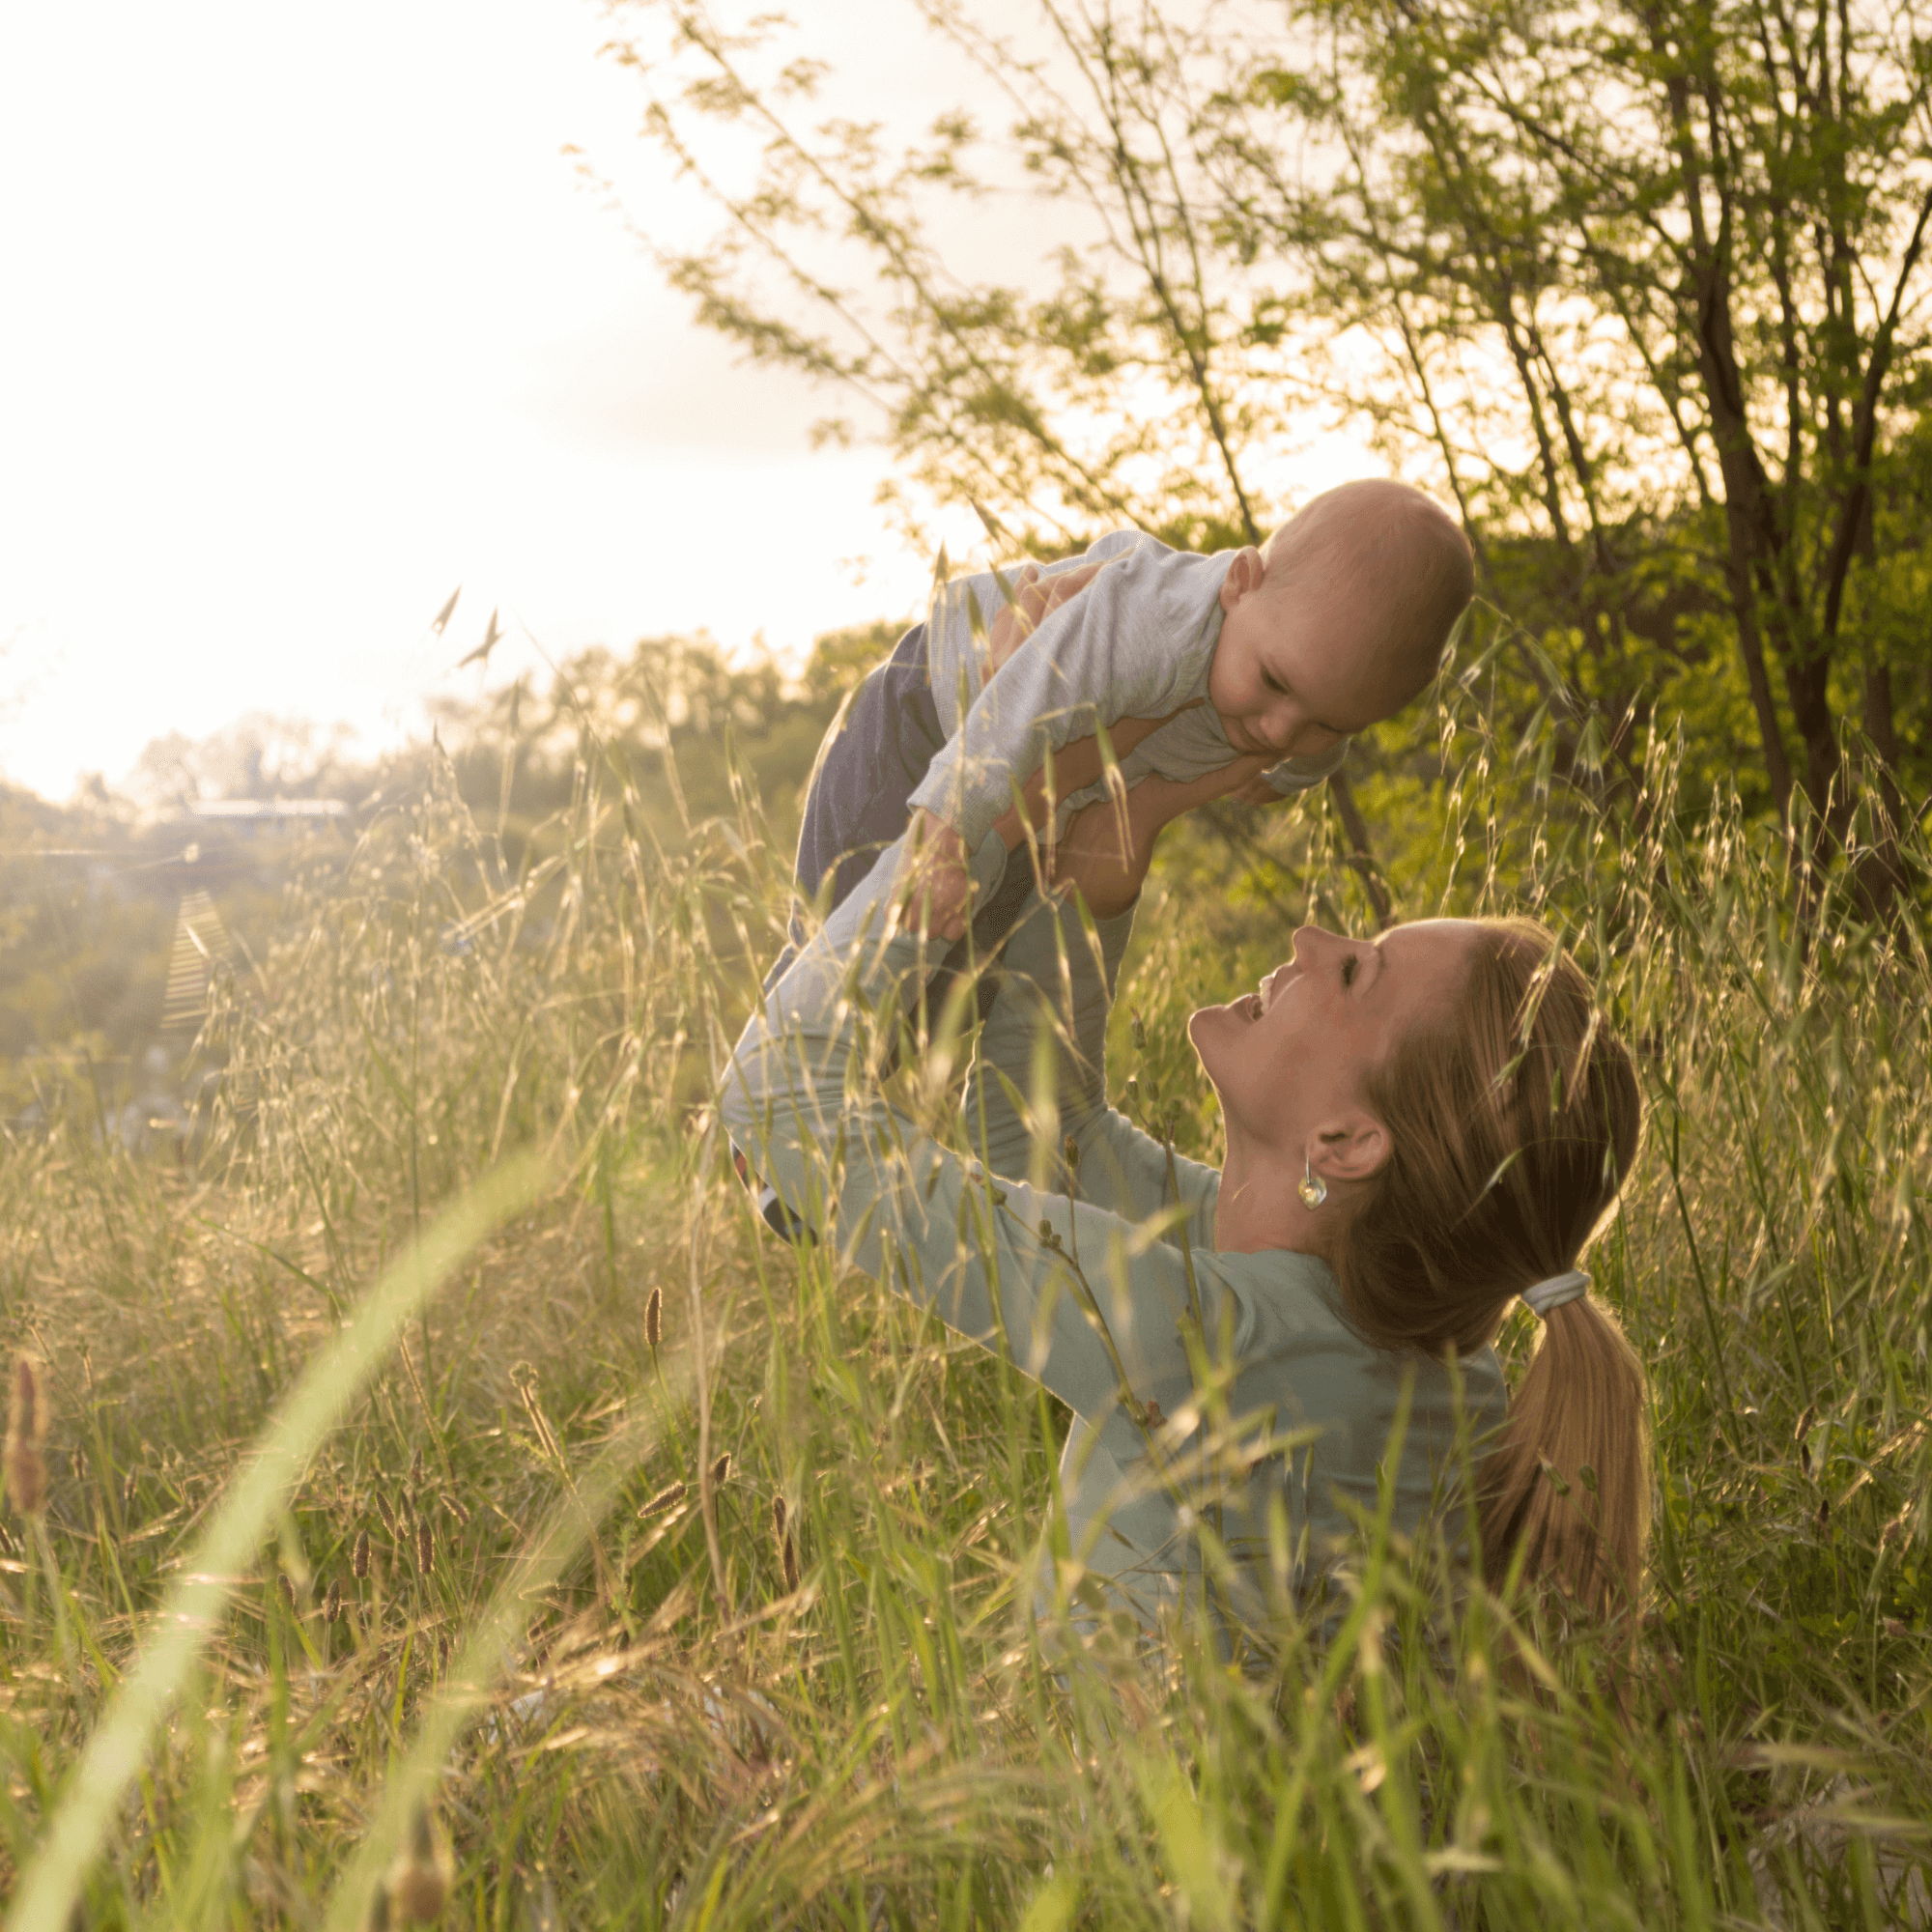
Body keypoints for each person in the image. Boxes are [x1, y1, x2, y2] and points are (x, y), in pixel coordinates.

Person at [722, 739, 1652, 1645]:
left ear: (1347, 1142)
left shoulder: (1210, 1342)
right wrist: (1113, 848)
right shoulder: (1431, 1344)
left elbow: (776, 1109)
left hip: (1110, 1801)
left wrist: (919, 887)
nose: (1309, 937)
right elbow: (1051, 1135)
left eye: (1355, 969)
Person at [790, 478, 1473, 949]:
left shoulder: (1298, 683)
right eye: (1273, 683)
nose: (1279, 728)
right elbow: (1021, 701)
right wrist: (941, 840)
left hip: (1035, 794)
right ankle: (775, 1085)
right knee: (849, 919)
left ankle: (860, 1117)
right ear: (1239, 582)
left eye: (1329, 722)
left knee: (944, 975)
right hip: (935, 718)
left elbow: (1297, 758)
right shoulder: (1157, 619)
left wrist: (1278, 777)